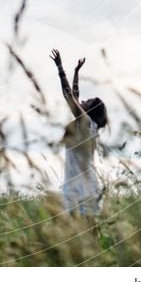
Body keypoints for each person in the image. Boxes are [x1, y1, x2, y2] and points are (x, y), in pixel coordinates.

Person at [49, 48, 108, 216]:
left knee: (79, 239)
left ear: (90, 111)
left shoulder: (87, 124)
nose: (82, 100)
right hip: (83, 189)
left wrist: (60, 69)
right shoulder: (88, 126)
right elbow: (74, 96)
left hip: (80, 192)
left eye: (87, 102)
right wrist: (76, 72)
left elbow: (70, 98)